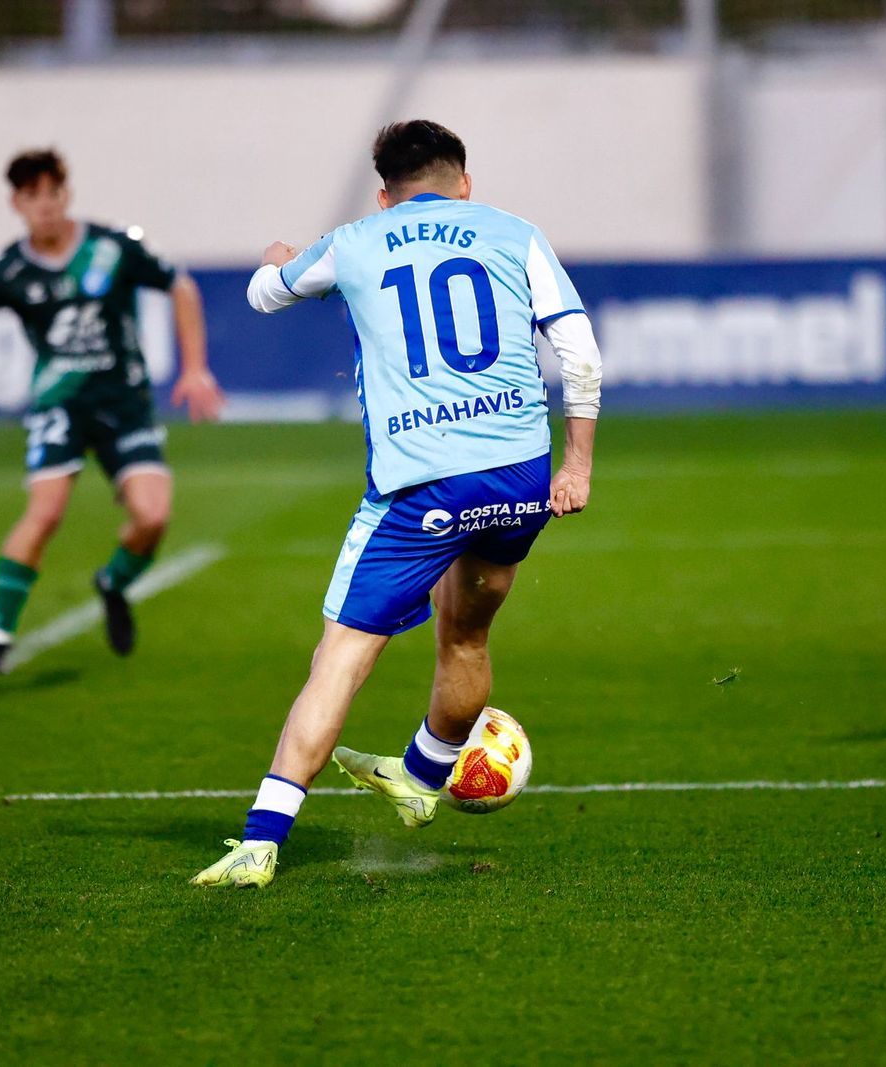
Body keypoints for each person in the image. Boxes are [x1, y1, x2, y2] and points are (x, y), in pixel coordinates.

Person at [193, 120, 603, 888]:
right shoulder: (516, 234)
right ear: (465, 181)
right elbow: (578, 351)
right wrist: (575, 465)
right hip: (520, 477)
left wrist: (277, 263)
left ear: (385, 194)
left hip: (423, 484)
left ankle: (260, 840)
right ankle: (421, 772)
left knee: (339, 659)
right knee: (468, 632)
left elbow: (263, 296)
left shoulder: (355, 239)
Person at [0, 148, 224, 672]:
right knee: (46, 512)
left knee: (153, 517)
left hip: (125, 403)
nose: (45, 206)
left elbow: (181, 285)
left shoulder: (112, 246)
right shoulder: (6, 270)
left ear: (66, 194)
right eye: (32, 196)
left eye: (52, 193)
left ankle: (112, 583)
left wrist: (195, 368)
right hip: (60, 406)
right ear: (16, 203)